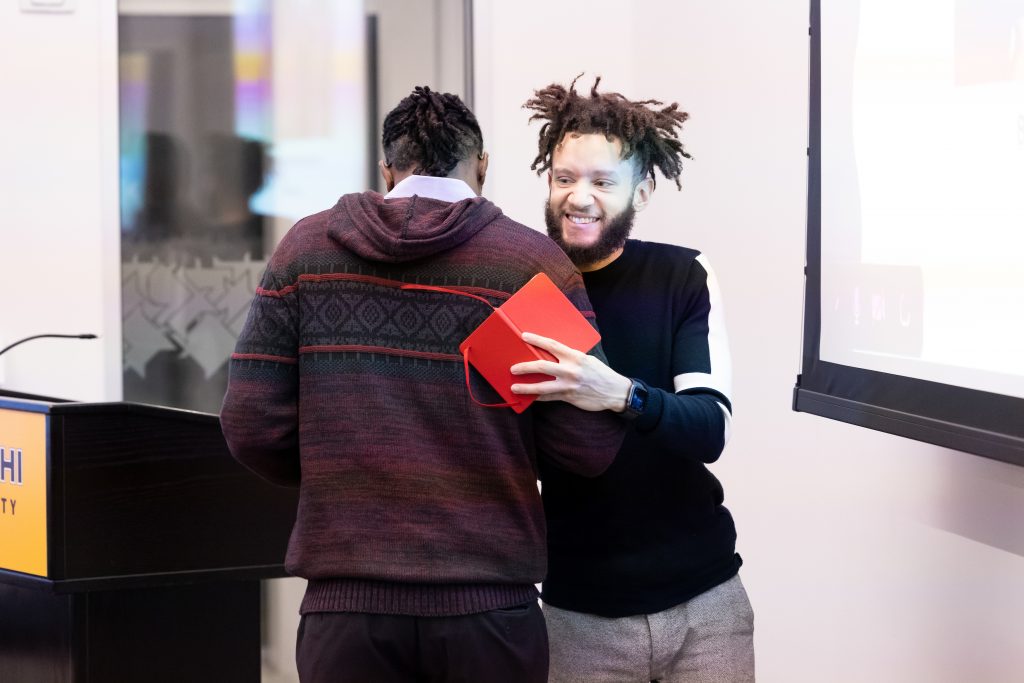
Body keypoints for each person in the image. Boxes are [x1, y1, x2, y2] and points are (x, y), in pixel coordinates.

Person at [220, 86, 625, 683]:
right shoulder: (528, 266)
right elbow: (588, 448)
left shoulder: (304, 252)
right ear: (482, 166)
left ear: (387, 170)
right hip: (488, 609)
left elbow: (251, 425)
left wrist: (345, 470)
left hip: (346, 609)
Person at [510, 76, 754, 682]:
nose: (578, 197)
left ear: (641, 191)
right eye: (564, 178)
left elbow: (708, 431)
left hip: (706, 602)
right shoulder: (523, 291)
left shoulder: (683, 276)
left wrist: (617, 393)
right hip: (578, 611)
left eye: (601, 182)